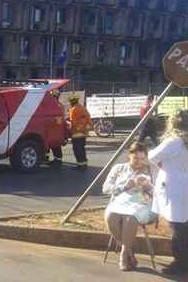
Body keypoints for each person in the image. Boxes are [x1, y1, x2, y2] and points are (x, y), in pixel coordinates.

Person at [103, 142, 156, 271]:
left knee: (130, 217)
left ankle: (123, 255)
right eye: (136, 158)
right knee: (110, 216)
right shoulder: (119, 168)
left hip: (143, 204)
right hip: (120, 202)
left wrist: (147, 186)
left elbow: (160, 193)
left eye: (143, 158)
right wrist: (125, 186)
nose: (139, 161)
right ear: (129, 156)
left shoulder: (151, 170)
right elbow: (105, 188)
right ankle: (129, 252)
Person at [148, 109, 188, 276]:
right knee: (184, 227)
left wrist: (163, 165)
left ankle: (180, 264)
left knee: (178, 229)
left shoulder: (174, 142)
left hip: (175, 189)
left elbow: (151, 156)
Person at [67, 95, 92, 170]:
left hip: (76, 133)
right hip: (83, 132)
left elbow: (72, 122)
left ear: (72, 102)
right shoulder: (82, 108)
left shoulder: (73, 109)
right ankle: (84, 164)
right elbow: (88, 117)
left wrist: (67, 125)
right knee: (82, 149)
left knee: (77, 150)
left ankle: (80, 165)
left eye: (70, 102)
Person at [49, 89, 64, 167]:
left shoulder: (57, 105)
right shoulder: (57, 104)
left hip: (56, 128)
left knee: (56, 145)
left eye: (52, 96)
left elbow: (59, 119)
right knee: (53, 144)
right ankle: (55, 159)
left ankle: (58, 160)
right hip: (54, 128)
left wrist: (53, 123)